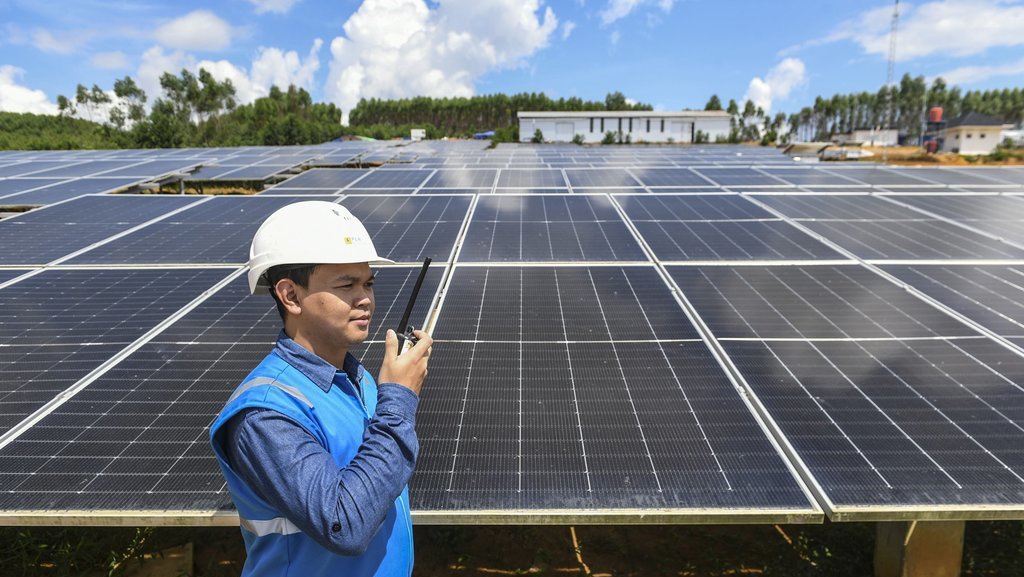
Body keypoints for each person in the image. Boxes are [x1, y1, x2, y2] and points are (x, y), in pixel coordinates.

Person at [209, 201, 432, 577]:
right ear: (290, 296)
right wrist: (397, 399)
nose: (365, 299)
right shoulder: (265, 413)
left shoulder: (359, 380)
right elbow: (345, 526)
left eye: (368, 283)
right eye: (347, 285)